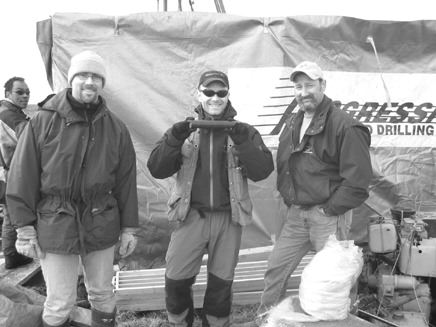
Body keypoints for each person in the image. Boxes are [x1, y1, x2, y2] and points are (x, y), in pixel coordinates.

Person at [6, 50, 139, 327]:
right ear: (72, 79)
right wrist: (24, 228)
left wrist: (129, 229)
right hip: (55, 221)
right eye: (83, 75)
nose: (89, 81)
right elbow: (22, 177)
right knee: (59, 301)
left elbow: (126, 182)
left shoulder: (116, 128)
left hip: (101, 219)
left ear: (103, 83)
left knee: (102, 294)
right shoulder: (43, 121)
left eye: (96, 77)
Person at [147, 70, 274, 327]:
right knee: (175, 279)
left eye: (221, 92)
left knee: (221, 283)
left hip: (229, 218)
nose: (215, 98)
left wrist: (243, 141)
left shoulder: (244, 131)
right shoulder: (185, 131)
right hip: (191, 216)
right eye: (209, 92)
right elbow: (157, 168)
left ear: (228, 96)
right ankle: (180, 323)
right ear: (199, 94)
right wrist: (173, 137)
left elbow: (263, 171)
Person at [258, 61, 372, 316]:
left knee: (335, 279)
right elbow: (287, 165)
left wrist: (328, 211)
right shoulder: (293, 122)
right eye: (298, 86)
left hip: (328, 216)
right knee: (276, 268)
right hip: (297, 215)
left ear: (323, 85)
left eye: (310, 85)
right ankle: (268, 317)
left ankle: (340, 320)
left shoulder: (345, 126)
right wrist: (291, 202)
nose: (303, 91)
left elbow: (358, 181)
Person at [0, 76, 32, 269]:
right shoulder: (9, 115)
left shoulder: (10, 112)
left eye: (27, 92)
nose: (25, 95)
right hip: (11, 172)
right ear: (8, 94)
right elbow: (29, 139)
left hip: (7, 172)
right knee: (13, 214)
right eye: (20, 92)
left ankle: (12, 254)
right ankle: (12, 255)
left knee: (10, 214)